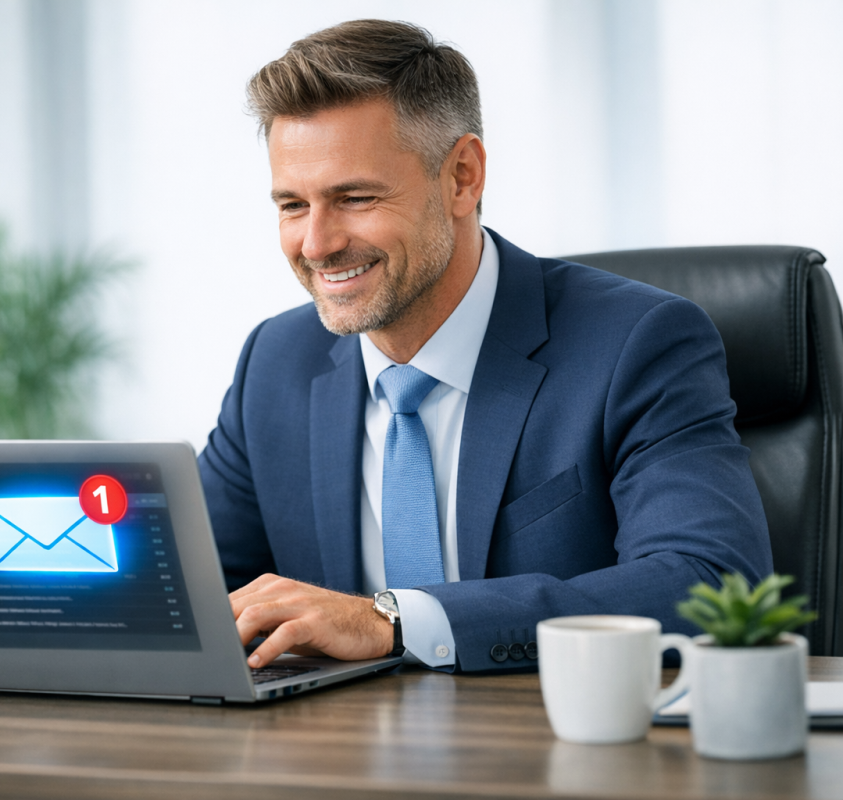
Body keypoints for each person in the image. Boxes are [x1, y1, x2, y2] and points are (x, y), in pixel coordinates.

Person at [198, 19, 774, 673]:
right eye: (292, 205)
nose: (317, 243)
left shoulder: (638, 343)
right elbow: (181, 586)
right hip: (335, 754)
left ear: (463, 178)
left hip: (555, 749)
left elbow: (709, 583)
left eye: (354, 197)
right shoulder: (277, 362)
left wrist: (393, 621)